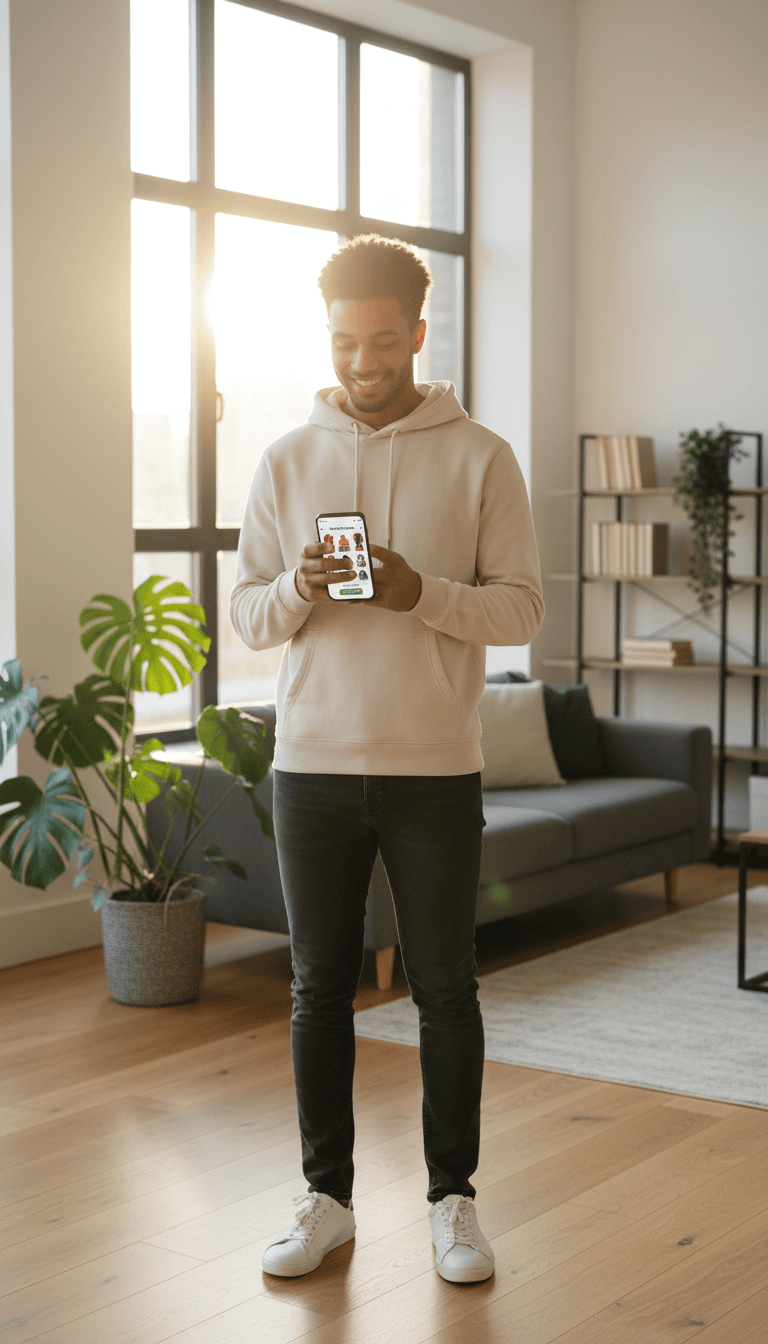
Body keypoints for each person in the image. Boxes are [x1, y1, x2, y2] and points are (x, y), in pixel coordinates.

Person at [230, 234, 544, 1283]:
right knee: (317, 990)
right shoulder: (284, 460)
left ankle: (454, 1202)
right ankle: (328, 1201)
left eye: (380, 340)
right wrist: (301, 589)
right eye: (342, 342)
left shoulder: (483, 455)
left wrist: (421, 595)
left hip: (435, 772)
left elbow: (523, 607)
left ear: (417, 333)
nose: (361, 361)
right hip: (312, 767)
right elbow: (249, 618)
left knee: (446, 991)